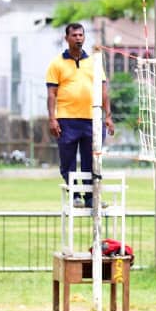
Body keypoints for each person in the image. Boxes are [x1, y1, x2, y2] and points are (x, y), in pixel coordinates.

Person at [46, 22, 114, 208]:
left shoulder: (94, 62)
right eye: (74, 35)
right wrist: (52, 118)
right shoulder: (56, 64)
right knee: (67, 159)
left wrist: (108, 116)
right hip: (67, 119)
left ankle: (91, 197)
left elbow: (103, 90)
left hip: (92, 120)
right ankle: (74, 193)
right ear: (66, 38)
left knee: (91, 159)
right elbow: (51, 94)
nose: (78, 38)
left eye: (81, 35)